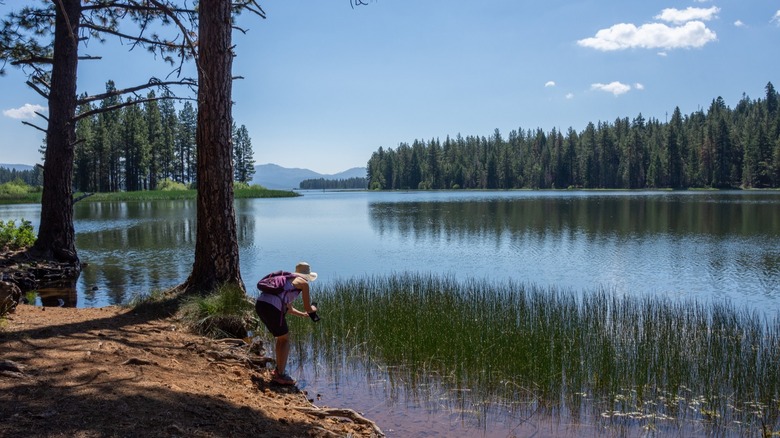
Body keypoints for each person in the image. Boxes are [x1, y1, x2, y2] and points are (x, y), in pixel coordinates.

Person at [255, 261, 318, 386]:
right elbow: (308, 308)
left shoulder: (287, 280)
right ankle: (281, 375)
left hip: (260, 304)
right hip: (272, 308)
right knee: (285, 339)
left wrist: (302, 314)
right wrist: (313, 309)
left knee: (281, 338)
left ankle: (278, 371)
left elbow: (288, 308)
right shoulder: (303, 283)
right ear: (307, 275)